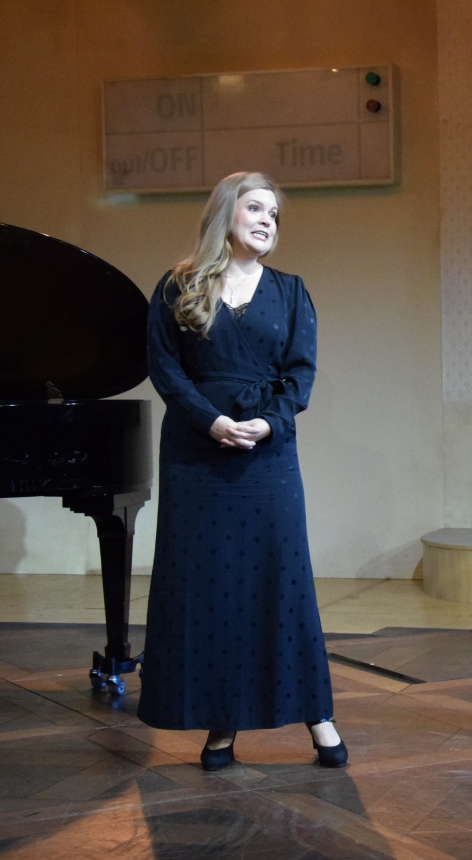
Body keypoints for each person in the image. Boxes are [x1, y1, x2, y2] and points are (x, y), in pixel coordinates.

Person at [136, 171, 346, 770]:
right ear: (225, 213)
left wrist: (267, 425)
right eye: (256, 208)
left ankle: (318, 715)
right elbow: (166, 370)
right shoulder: (178, 285)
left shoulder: (291, 290)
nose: (267, 222)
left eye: (275, 215)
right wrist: (211, 422)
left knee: (282, 580)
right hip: (196, 454)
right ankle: (222, 722)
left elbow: (299, 375)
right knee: (210, 589)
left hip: (267, 454)